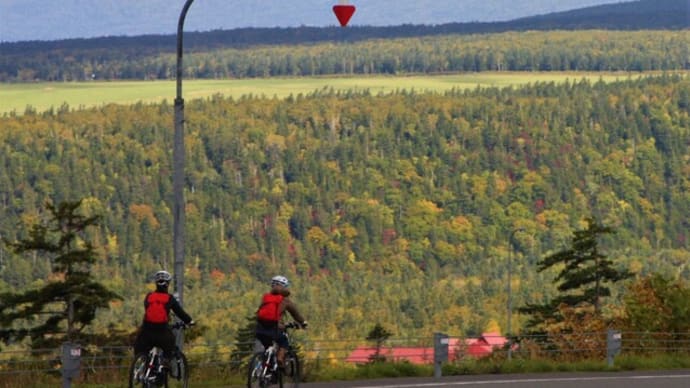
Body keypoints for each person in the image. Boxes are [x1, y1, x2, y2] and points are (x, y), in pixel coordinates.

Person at [133, 270, 194, 368]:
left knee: (141, 349)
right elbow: (179, 312)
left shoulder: (149, 296)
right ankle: (164, 363)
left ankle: (143, 367)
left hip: (146, 331)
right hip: (161, 332)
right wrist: (190, 321)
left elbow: (148, 309)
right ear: (168, 284)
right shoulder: (169, 298)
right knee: (170, 344)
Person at [255, 275, 308, 370]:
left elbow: (259, 313)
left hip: (260, 328)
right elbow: (295, 314)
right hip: (274, 328)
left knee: (268, 348)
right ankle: (280, 358)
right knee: (284, 342)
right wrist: (303, 322)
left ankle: (265, 371)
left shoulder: (266, 298)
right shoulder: (284, 300)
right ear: (284, 287)